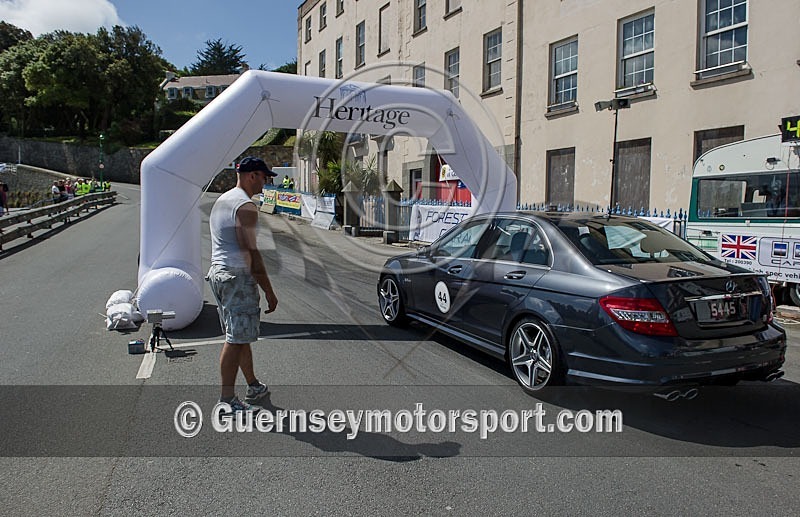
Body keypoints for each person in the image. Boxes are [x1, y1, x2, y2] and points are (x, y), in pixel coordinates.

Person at [207, 156, 279, 413]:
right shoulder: (246, 206)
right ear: (252, 176)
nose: (266, 181)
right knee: (235, 339)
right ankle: (227, 400)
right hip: (237, 276)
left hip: (219, 272)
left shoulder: (223, 199)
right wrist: (268, 289)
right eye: (264, 176)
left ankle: (253, 385)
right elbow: (249, 251)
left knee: (240, 334)